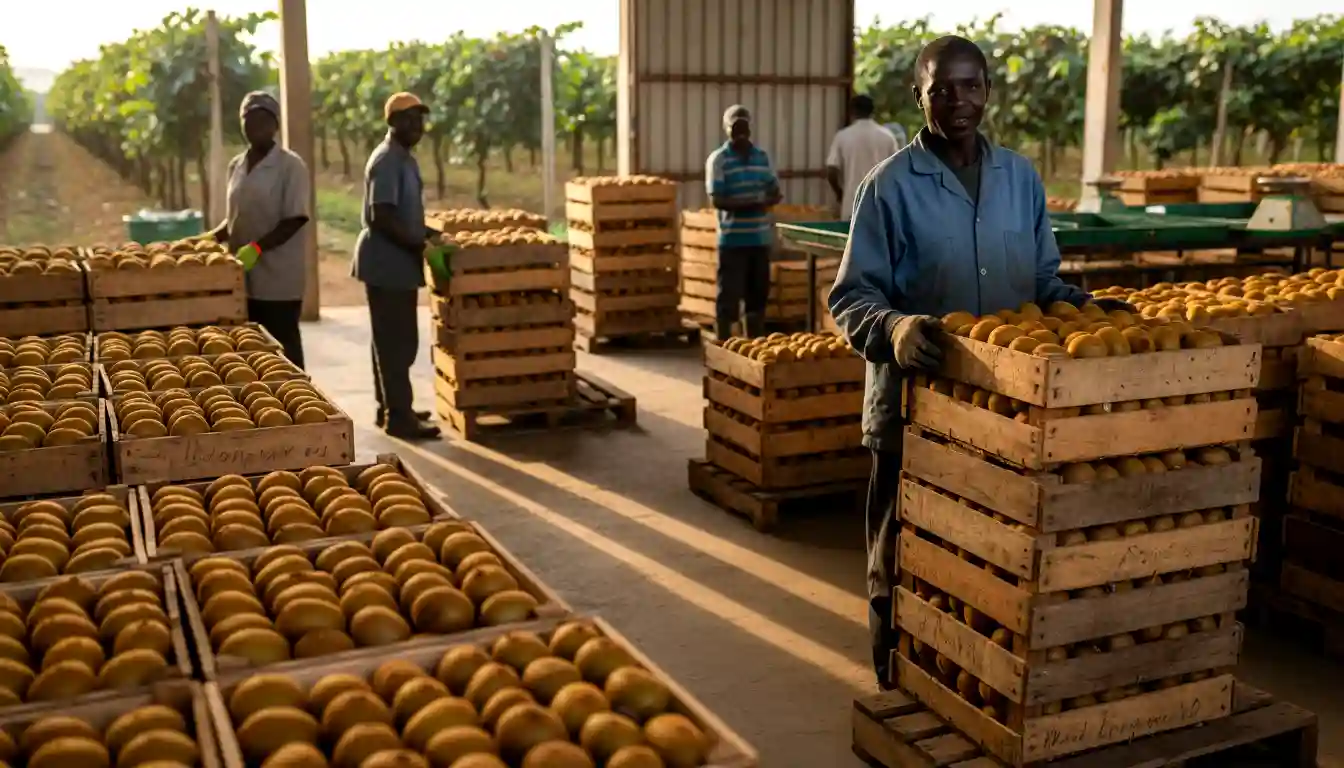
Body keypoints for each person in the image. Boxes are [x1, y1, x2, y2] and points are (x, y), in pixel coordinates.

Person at [827, 36, 1133, 689]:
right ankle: (894, 675)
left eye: (970, 86)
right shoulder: (888, 188)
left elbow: (1044, 284)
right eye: (942, 88)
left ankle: (967, 677)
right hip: (916, 406)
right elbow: (851, 295)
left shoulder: (1019, 178)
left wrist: (1089, 309)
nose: (957, 101)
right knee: (903, 541)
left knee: (984, 554)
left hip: (1005, 411)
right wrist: (895, 326)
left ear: (988, 91)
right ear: (920, 96)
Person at [350, 92, 443, 440]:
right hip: (387, 263)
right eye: (409, 119)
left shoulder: (404, 157)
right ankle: (399, 417)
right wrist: (418, 244)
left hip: (396, 263)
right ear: (392, 122)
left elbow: (402, 212)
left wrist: (429, 232)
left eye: (420, 119)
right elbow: (382, 216)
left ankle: (390, 406)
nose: (417, 126)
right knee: (397, 343)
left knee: (389, 342)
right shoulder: (387, 159)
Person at [203, 91, 311, 368]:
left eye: (263, 119)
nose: (256, 126)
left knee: (282, 346)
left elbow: (295, 218)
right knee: (251, 348)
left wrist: (258, 247)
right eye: (249, 119)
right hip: (242, 274)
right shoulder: (236, 166)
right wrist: (211, 238)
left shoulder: (290, 166)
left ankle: (298, 401)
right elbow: (236, 217)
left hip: (279, 275)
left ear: (275, 124)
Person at [705, 105, 782, 340]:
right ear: (726, 129)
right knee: (728, 298)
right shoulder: (718, 160)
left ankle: (752, 348)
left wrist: (767, 200)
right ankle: (723, 349)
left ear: (750, 128)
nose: (740, 133)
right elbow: (717, 200)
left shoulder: (762, 157)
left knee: (757, 298)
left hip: (759, 240)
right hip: (732, 241)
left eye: (743, 127)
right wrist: (752, 204)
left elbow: (775, 191)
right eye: (734, 127)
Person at [826, 95, 899, 220]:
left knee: (853, 238)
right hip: (881, 205)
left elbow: (831, 170)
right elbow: (898, 170)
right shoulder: (888, 136)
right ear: (872, 112)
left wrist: (840, 193)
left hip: (852, 204)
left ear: (852, 111)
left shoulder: (843, 136)